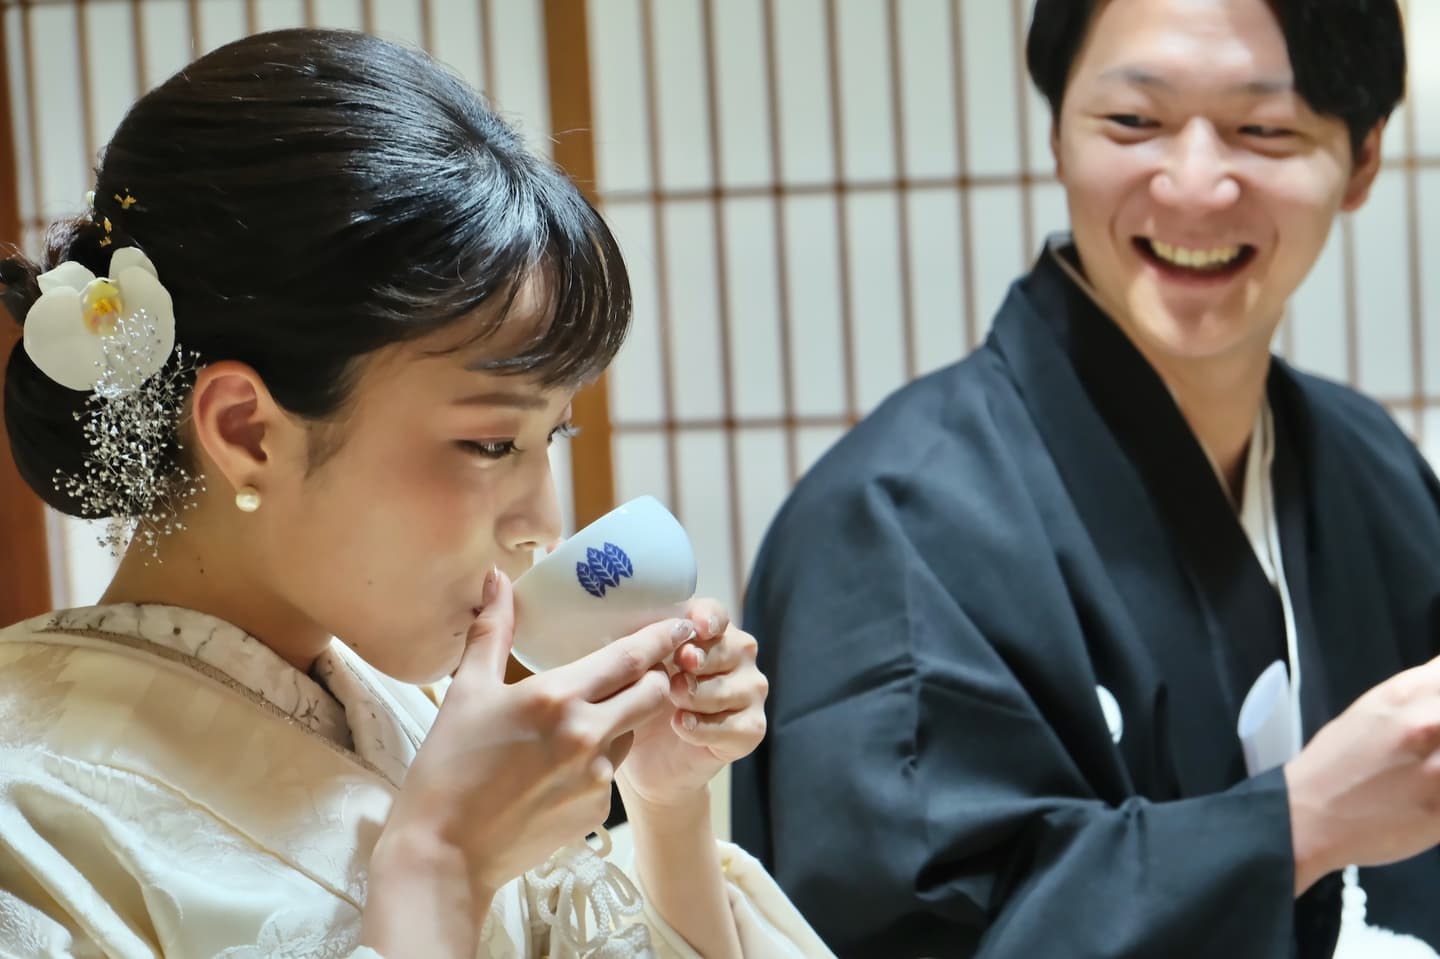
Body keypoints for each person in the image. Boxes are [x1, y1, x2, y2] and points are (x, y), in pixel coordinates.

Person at [0, 28, 832, 959]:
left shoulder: (420, 720)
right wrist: (439, 866)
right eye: (489, 441)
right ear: (245, 429)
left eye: (552, 434)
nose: (542, 526)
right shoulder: (23, 816)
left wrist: (667, 801)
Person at [732, 0, 1440, 956]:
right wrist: (1297, 824)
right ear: (1059, 132)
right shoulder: (893, 523)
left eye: (1263, 130)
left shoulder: (1373, 472)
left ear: (1361, 160)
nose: (1194, 186)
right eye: (1133, 123)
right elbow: (902, 932)